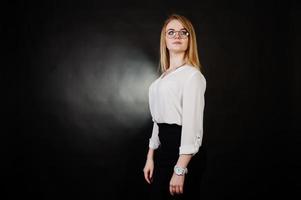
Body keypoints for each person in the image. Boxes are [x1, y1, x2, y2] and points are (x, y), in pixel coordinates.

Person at [143, 13, 207, 200]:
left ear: (190, 39)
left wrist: (180, 169)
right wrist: (150, 157)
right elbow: (157, 121)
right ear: (165, 39)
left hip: (184, 153)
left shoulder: (192, 76)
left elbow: (192, 126)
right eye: (171, 32)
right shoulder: (159, 81)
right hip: (164, 152)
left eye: (183, 32)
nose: (177, 36)